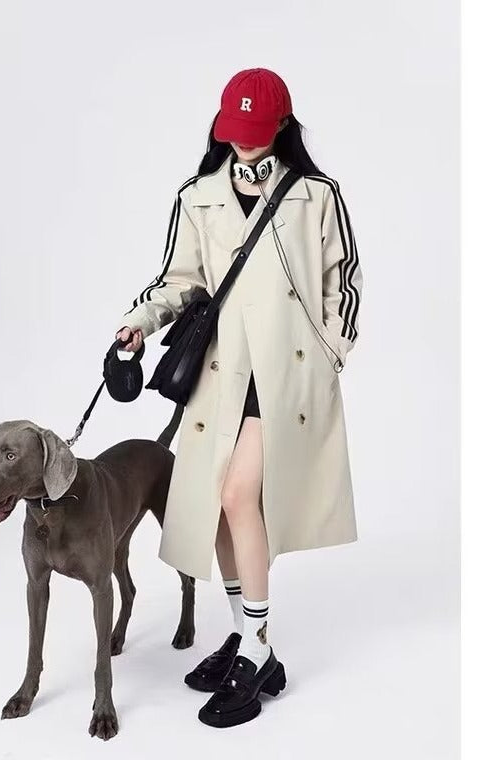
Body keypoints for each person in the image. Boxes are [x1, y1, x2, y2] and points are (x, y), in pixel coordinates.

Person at [114, 67, 363, 728]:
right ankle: (246, 637)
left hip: (287, 374)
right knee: (221, 511)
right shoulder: (199, 196)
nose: (246, 142)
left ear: (282, 126)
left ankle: (256, 647)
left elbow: (345, 280)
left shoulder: (315, 195)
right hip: (223, 372)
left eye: (257, 130)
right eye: (236, 129)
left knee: (234, 495)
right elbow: (180, 279)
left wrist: (330, 352)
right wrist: (139, 323)